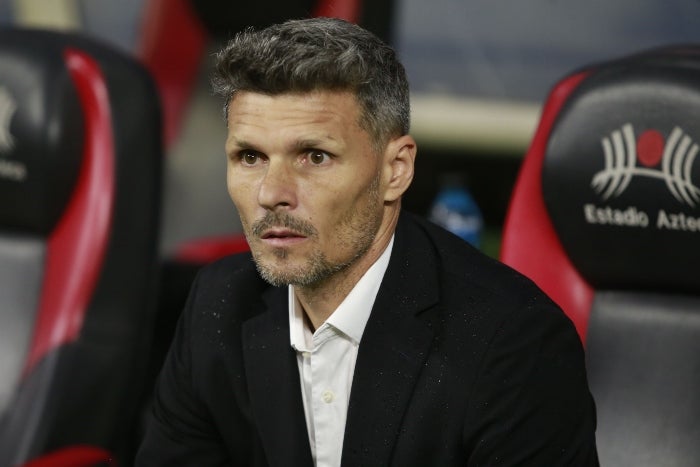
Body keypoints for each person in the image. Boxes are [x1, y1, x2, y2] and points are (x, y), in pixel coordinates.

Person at [136, 17, 598, 466]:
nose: (271, 193)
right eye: (250, 156)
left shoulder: (514, 343)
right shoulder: (218, 305)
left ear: (395, 170)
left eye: (315, 156)